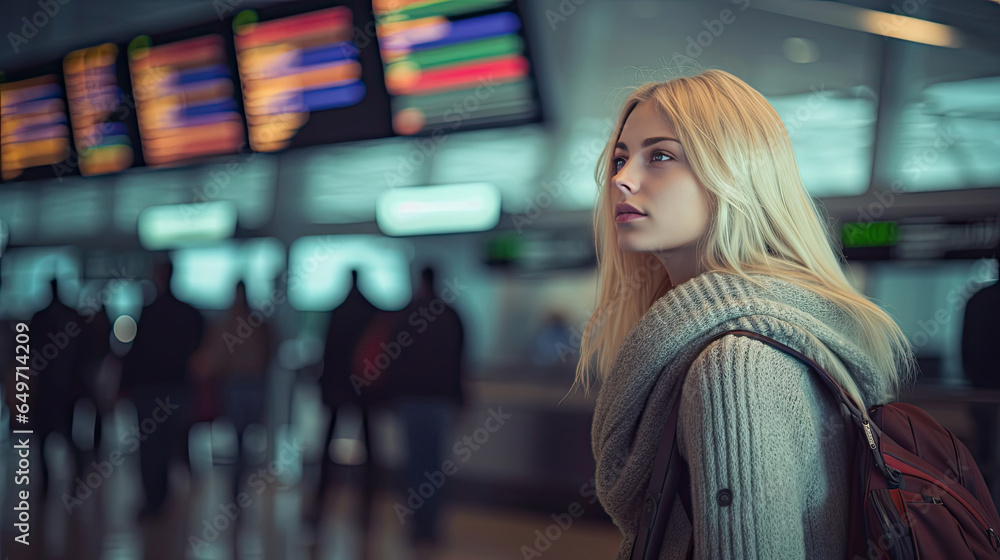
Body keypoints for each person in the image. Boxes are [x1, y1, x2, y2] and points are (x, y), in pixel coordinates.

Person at [578, 70, 917, 559]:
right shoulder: (779, 335)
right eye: (620, 158)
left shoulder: (736, 368)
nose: (622, 179)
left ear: (733, 174)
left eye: (661, 156)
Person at [379, 266, 465, 548]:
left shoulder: (405, 316)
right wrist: (458, 399)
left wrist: (391, 396)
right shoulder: (451, 316)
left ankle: (417, 524)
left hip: (411, 401)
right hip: (439, 401)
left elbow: (392, 359)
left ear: (419, 281)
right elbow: (460, 363)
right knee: (435, 464)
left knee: (415, 464)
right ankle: (432, 524)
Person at [119, 256, 204, 518]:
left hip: (149, 389)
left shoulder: (149, 311)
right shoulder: (188, 314)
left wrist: (124, 386)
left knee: (149, 448)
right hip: (175, 388)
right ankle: (161, 498)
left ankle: (153, 500)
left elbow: (134, 353)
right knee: (168, 445)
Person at [961, 239, 1000, 481]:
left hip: (981, 392)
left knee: (986, 460)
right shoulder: (980, 299)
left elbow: (966, 350)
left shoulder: (978, 299)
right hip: (983, 393)